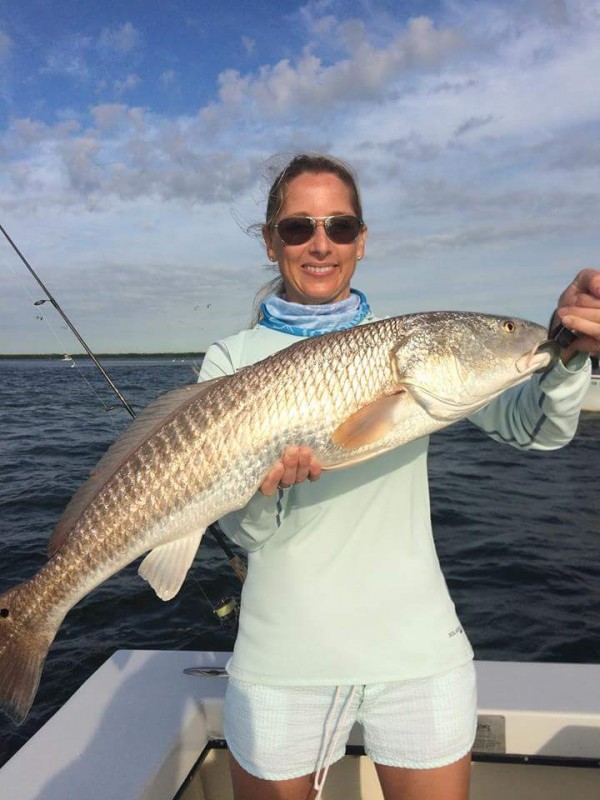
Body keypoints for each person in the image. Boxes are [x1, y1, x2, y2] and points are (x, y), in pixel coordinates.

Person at [199, 153, 600, 800]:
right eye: (299, 228)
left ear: (362, 238)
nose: (321, 243)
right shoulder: (230, 360)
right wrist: (266, 487)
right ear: (272, 241)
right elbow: (241, 529)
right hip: (283, 658)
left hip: (418, 652)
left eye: (341, 225)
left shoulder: (421, 347)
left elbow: (537, 430)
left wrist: (565, 350)